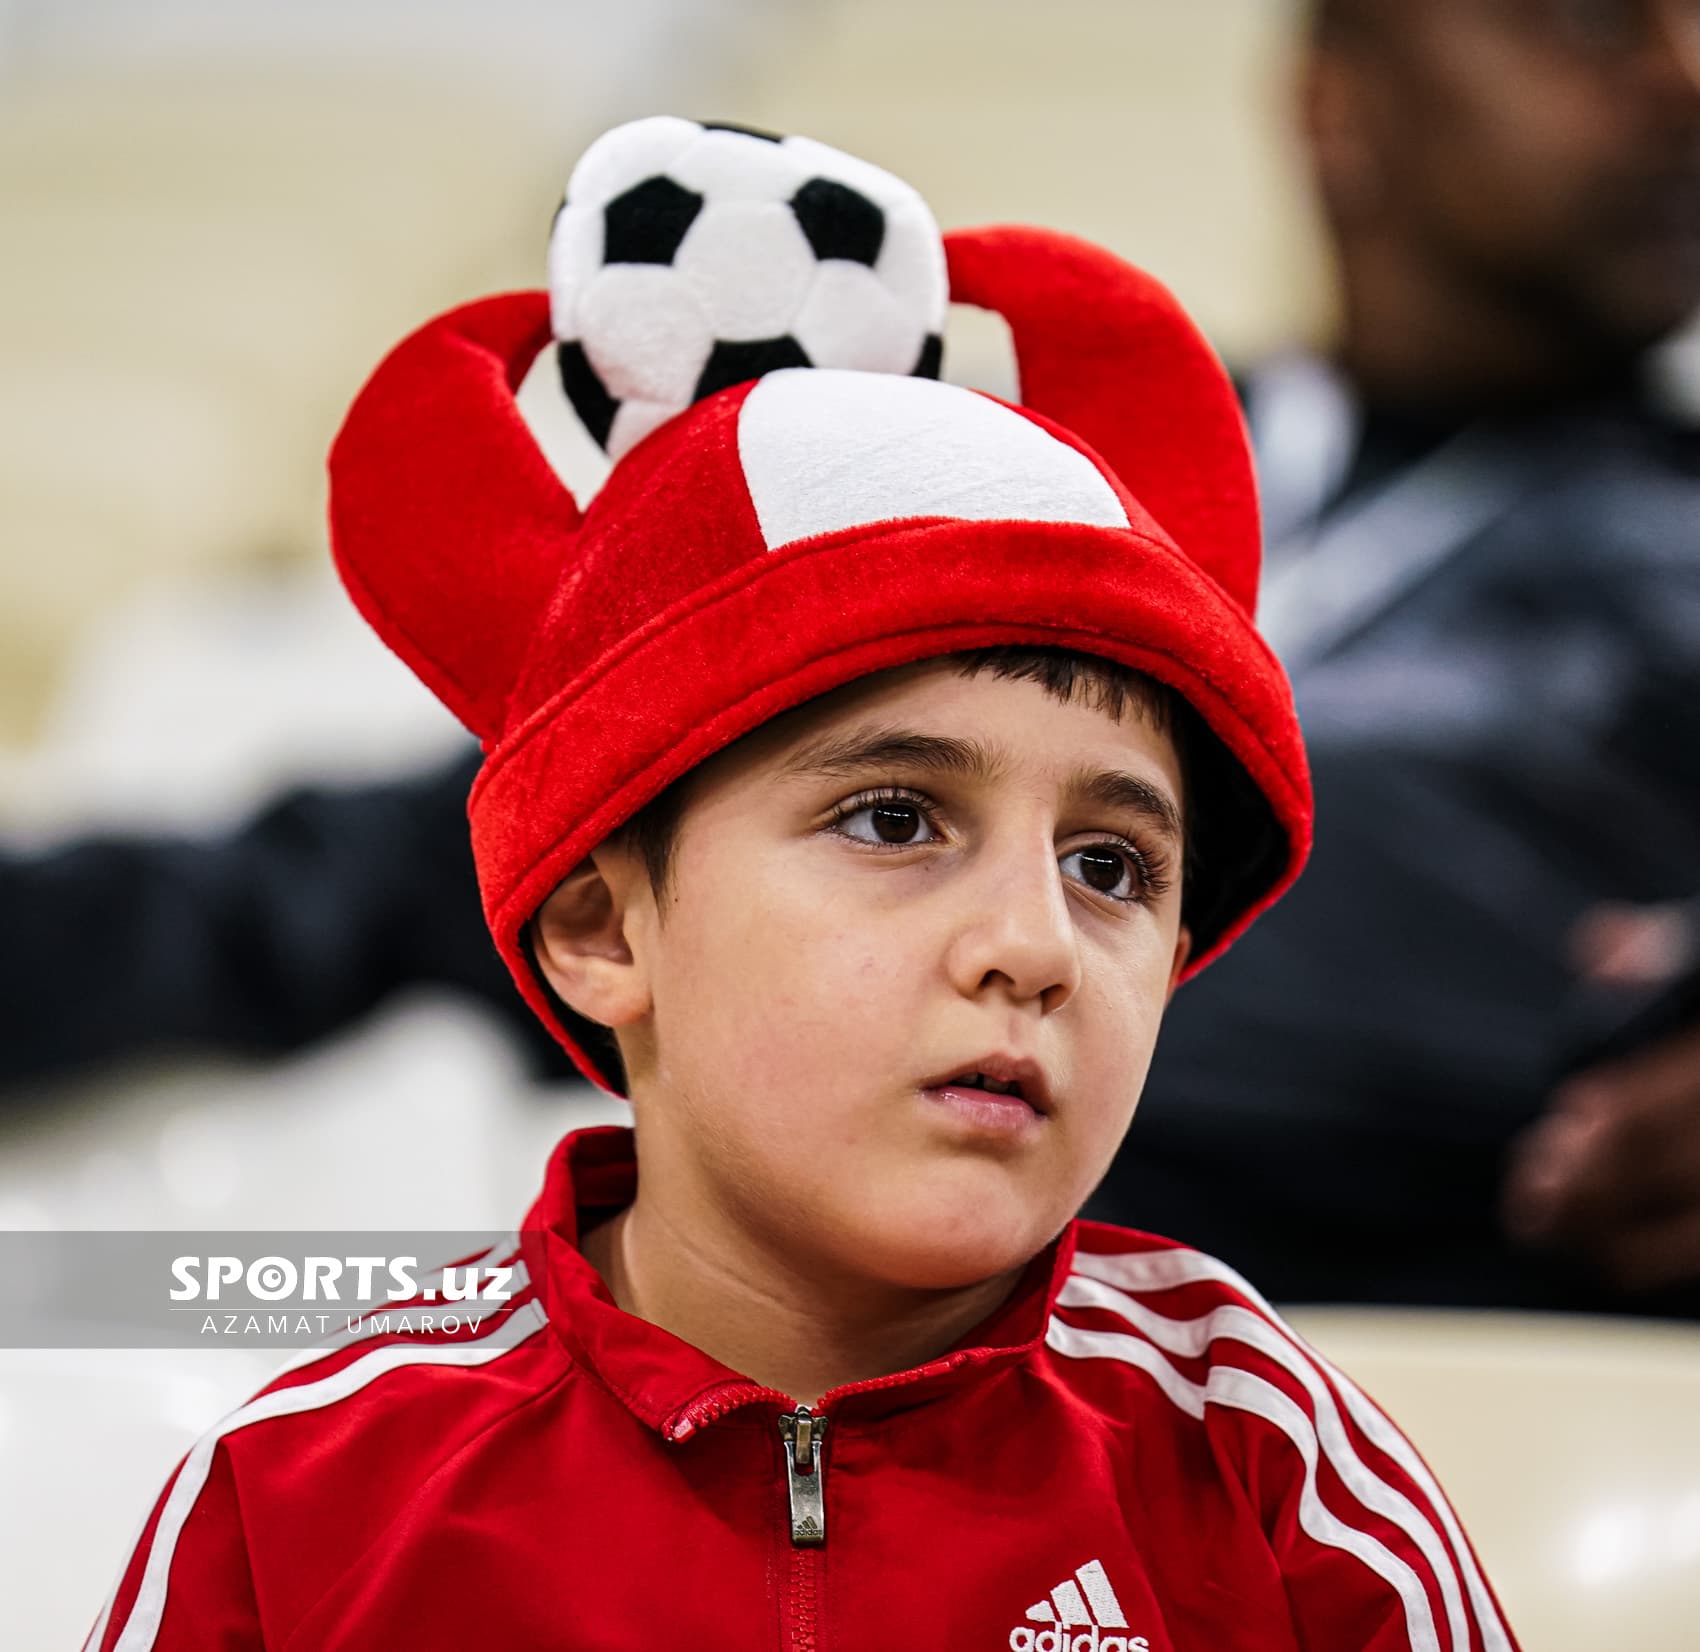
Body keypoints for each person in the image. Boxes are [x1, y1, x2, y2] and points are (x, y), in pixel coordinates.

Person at [84, 119, 1514, 1651]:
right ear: (599, 924)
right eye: (896, 820)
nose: (1034, 946)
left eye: (1112, 865)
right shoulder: (303, 1498)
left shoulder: (1268, 1463)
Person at [1088, 0, 1700, 1312]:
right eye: (1596, 23)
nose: (1685, 81)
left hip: (1449, 1392)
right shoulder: (1035, 461)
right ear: (1339, 103)